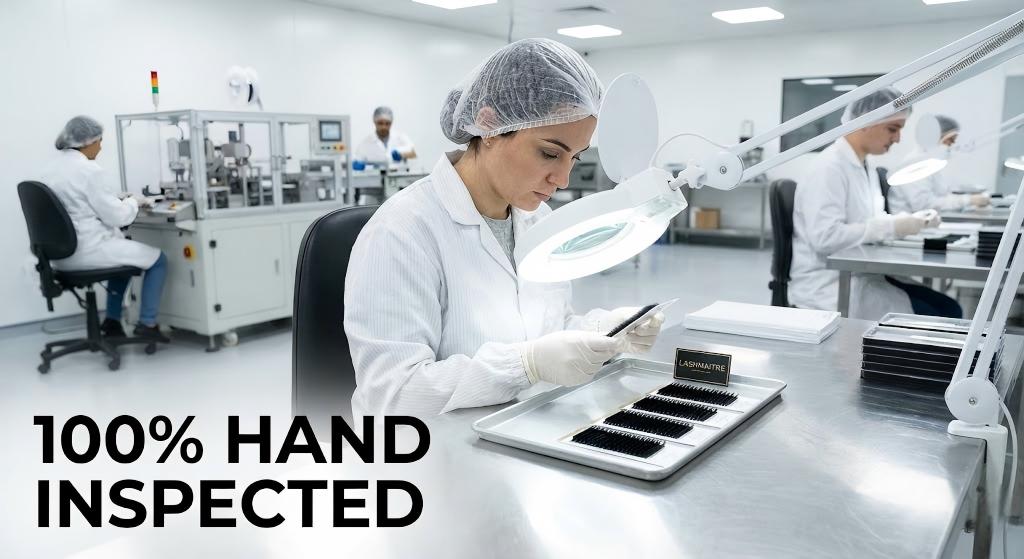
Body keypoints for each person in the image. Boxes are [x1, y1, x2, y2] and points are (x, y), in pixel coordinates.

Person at [345, 38, 665, 416]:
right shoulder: (402, 231)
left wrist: (605, 331)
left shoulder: (538, 221)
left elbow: (548, 329)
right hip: (432, 455)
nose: (562, 179)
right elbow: (394, 394)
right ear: (490, 126)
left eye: (575, 158)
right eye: (549, 153)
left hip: (518, 428)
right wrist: (525, 366)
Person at [789, 88, 962, 320]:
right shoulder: (828, 169)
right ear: (865, 122)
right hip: (827, 285)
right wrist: (894, 227)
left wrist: (910, 222)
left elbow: (873, 218)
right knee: (944, 315)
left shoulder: (863, 165)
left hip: (860, 274)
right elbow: (825, 238)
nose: (898, 138)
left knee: (949, 308)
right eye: (893, 129)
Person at [40, 116, 169, 340]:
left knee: (125, 256)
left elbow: (75, 203)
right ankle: (148, 324)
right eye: (99, 141)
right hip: (88, 250)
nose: (100, 146)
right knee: (158, 260)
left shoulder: (51, 169)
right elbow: (117, 217)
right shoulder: (89, 170)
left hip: (58, 255)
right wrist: (132, 202)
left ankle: (112, 322)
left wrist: (114, 198)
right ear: (87, 142)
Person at [887, 115, 991, 213]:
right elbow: (923, 205)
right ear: (933, 138)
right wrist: (967, 200)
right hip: (911, 227)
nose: (951, 146)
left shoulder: (931, 163)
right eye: (949, 141)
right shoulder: (915, 165)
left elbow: (942, 193)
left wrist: (968, 196)